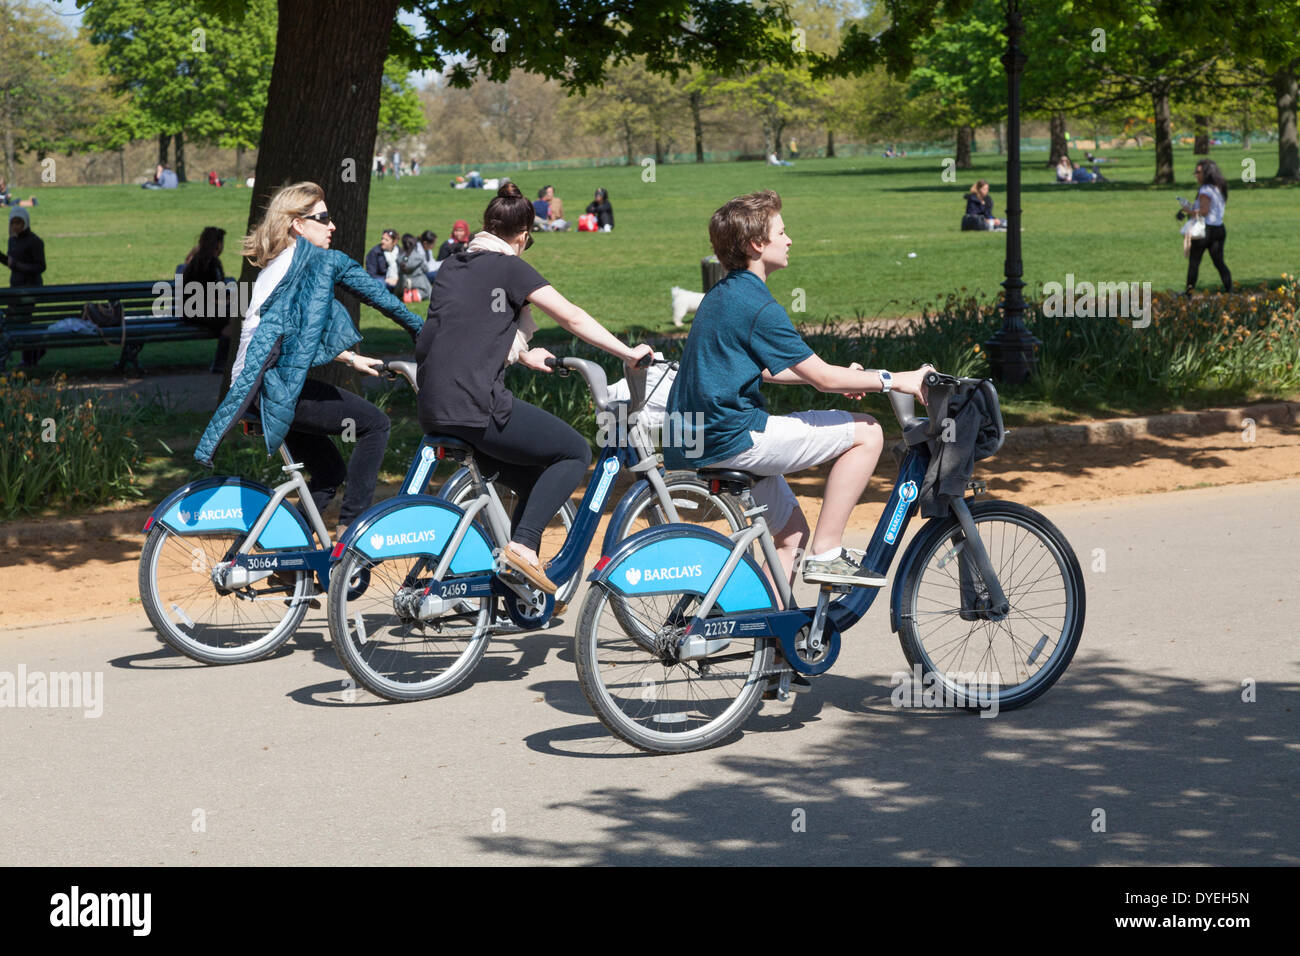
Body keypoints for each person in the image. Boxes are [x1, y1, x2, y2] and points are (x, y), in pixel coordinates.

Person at [664, 189, 932, 595]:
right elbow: (823, 378)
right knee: (868, 433)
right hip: (735, 436)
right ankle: (828, 553)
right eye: (782, 232)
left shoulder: (724, 293)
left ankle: (768, 640)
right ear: (757, 244)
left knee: (790, 536)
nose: (789, 240)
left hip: (700, 438)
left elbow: (772, 372)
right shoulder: (755, 303)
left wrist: (842, 376)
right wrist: (899, 379)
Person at [414, 182, 651, 593]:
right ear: (523, 236)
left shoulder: (455, 263)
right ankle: (523, 548)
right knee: (574, 452)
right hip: (476, 404)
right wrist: (627, 352)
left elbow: (461, 328)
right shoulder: (510, 267)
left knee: (533, 482)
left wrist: (522, 353)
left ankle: (516, 584)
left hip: (433, 404)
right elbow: (572, 317)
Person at [193, 182, 423, 537]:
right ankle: (353, 533)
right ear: (298, 224)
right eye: (324, 218)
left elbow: (296, 328)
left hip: (260, 388)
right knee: (375, 425)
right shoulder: (318, 261)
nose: (332, 226)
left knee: (330, 472)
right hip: (274, 388)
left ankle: (288, 556)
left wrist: (350, 358)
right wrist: (424, 332)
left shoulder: (282, 265)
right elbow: (380, 296)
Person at [180, 226, 235, 372]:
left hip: (189, 312)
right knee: (236, 319)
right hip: (201, 312)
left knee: (233, 315)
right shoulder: (213, 263)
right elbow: (218, 296)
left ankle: (223, 363)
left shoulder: (195, 262)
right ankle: (220, 364)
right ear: (218, 245)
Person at [1180, 158, 1232, 294]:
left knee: (1194, 263)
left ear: (1207, 173)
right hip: (1219, 228)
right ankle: (1230, 290)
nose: (1196, 175)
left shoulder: (1205, 190)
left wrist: (1188, 211)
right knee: (1219, 262)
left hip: (1205, 230)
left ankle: (1188, 293)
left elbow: (1204, 211)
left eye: (1198, 172)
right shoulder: (1219, 188)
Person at [4, 207, 47, 365]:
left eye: (19, 223)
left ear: (25, 223)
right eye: (13, 223)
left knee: (22, 324)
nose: (16, 226)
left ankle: (30, 356)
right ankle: (32, 355)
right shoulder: (12, 240)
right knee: (14, 323)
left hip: (29, 289)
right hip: (16, 288)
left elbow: (40, 267)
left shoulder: (35, 241)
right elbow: (12, 262)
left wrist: (16, 265)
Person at [365, 228, 400, 294]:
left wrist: (399, 279)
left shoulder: (399, 252)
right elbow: (371, 274)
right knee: (380, 283)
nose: (382, 241)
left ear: (394, 242)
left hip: (397, 280)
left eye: (386, 240)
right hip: (383, 280)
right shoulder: (375, 252)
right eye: (382, 238)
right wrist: (386, 280)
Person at [398, 233, 432, 301]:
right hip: (418, 283)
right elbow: (426, 269)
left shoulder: (399, 257)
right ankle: (416, 295)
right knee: (426, 287)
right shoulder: (418, 257)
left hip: (403, 283)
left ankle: (406, 294)